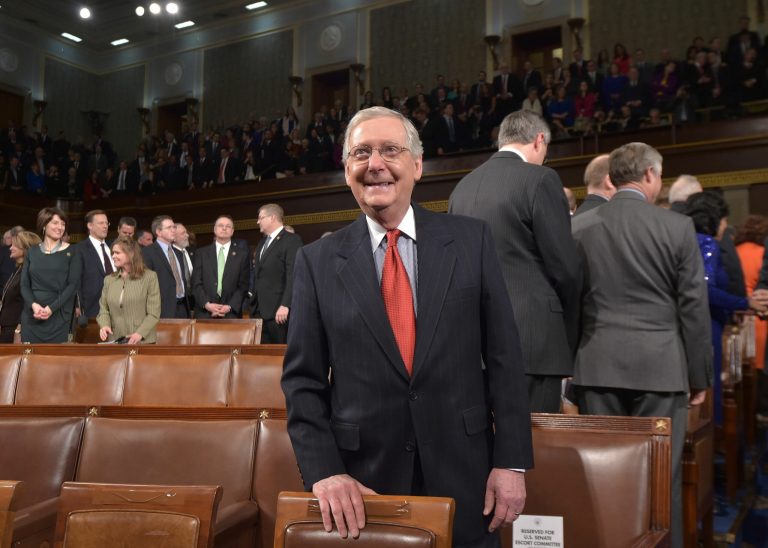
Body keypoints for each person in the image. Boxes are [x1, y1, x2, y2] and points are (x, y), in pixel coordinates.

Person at [282, 106, 532, 548]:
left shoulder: (471, 241)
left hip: (467, 475)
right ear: (347, 170)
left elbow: (505, 360)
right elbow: (303, 382)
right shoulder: (316, 261)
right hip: (363, 486)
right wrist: (324, 471)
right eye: (361, 152)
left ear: (417, 165)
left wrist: (511, 462)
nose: (375, 164)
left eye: (390, 150)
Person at [571, 142, 713, 548]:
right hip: (661, 371)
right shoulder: (676, 227)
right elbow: (693, 308)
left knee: (605, 480)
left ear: (612, 178)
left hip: (597, 368)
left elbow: (569, 303)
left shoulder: (578, 228)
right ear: (650, 174)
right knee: (661, 481)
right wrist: (699, 376)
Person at [449, 110, 581, 413]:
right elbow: (566, 270)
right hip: (534, 342)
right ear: (538, 140)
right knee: (533, 438)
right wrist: (569, 335)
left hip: (475, 343)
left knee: (488, 437)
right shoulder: (541, 179)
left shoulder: (462, 188)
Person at [684, 193, 766, 425]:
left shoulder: (686, 240)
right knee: (711, 394)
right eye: (724, 220)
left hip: (694, 324)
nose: (726, 225)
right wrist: (745, 303)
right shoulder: (707, 243)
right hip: (708, 325)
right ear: (715, 219)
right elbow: (706, 290)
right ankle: (715, 441)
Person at [20, 207, 83, 343]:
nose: (60, 227)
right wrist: (33, 305)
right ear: (44, 225)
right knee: (30, 355)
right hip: (33, 315)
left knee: (56, 356)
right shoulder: (32, 252)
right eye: (55, 223)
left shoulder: (73, 251)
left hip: (59, 315)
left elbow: (73, 285)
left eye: (63, 224)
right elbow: (24, 284)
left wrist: (51, 309)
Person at [250, 203, 302, 343]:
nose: (258, 221)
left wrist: (285, 304)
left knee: (279, 353)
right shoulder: (262, 243)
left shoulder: (291, 240)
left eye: (261, 218)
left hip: (279, 312)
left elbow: (293, 274)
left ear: (272, 217)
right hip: (259, 312)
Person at [97, 236, 161, 344]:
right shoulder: (109, 280)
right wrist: (104, 325)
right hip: (115, 341)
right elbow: (103, 309)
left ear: (131, 254)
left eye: (117, 253)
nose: (113, 256)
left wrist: (139, 333)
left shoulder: (150, 277)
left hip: (142, 342)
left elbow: (154, 313)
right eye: (113, 253)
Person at [735, 216, 768, 421]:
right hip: (760, 315)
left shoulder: (736, 250)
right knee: (759, 373)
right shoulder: (761, 251)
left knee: (747, 374)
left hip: (743, 315)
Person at [191, 215, 250, 318]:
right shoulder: (201, 253)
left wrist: (230, 306)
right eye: (220, 225)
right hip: (204, 313)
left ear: (232, 231)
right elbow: (196, 282)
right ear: (214, 230)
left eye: (228, 226)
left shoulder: (242, 255)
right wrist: (207, 304)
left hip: (231, 314)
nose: (224, 228)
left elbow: (243, 286)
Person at [141, 215, 190, 318]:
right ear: (158, 232)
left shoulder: (178, 253)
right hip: (162, 310)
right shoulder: (147, 253)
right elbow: (145, 284)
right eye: (169, 227)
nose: (173, 230)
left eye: (174, 227)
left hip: (183, 308)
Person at [0, 231, 41, 343]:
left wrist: (19, 330)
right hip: (7, 328)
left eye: (14, 245)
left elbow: (29, 304)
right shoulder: (18, 269)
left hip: (16, 330)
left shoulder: (31, 271)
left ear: (25, 248)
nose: (10, 248)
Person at [76, 210, 115, 318]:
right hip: (92, 310)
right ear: (90, 225)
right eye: (101, 223)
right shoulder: (79, 249)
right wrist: (77, 305)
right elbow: (76, 280)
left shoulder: (113, 247)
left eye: (106, 223)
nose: (105, 226)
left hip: (118, 310)